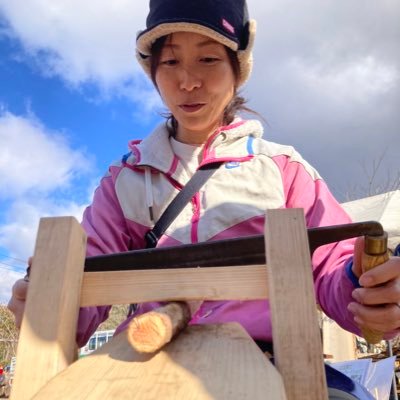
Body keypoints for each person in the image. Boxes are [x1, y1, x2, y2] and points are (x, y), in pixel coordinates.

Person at [8, 0, 400, 398]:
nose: (189, 81)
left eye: (209, 58)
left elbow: (333, 272)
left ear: (238, 69)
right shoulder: (124, 181)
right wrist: (42, 304)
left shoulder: (283, 170)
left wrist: (369, 291)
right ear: (152, 72)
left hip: (273, 363)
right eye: (171, 63)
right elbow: (82, 295)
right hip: (140, 369)